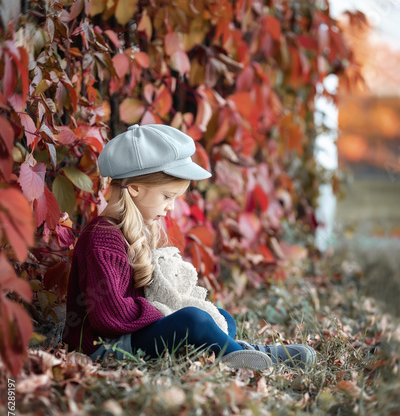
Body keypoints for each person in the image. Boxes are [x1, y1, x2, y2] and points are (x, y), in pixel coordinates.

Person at [63, 124, 316, 370]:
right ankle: (245, 355)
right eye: (166, 196)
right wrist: (167, 310)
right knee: (194, 320)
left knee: (220, 317)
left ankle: (234, 350)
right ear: (136, 189)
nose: (171, 207)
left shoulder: (135, 229)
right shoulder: (102, 238)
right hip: (103, 346)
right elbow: (109, 315)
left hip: (131, 333)